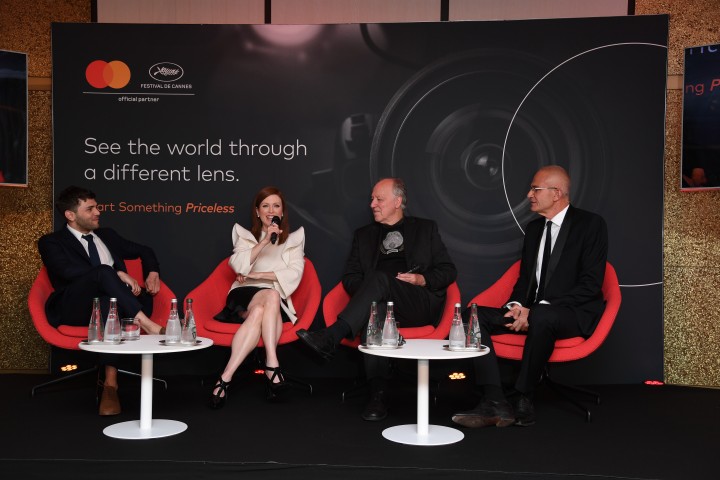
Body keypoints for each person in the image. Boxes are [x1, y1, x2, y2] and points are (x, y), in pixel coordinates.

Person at [452, 165, 608, 428]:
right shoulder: (534, 229)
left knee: (544, 315)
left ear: (557, 193)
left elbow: (590, 285)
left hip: (571, 312)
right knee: (471, 316)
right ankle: (495, 399)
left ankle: (524, 395)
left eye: (536, 189)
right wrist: (516, 307)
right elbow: (525, 280)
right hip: (533, 312)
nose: (529, 195)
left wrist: (534, 312)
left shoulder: (590, 224)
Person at [297, 178, 457, 421]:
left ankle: (333, 334)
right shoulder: (363, 235)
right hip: (379, 302)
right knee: (377, 308)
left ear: (398, 201)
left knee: (380, 281)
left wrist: (421, 279)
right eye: (372, 199)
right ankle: (378, 394)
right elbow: (350, 278)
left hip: (416, 303)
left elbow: (448, 271)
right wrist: (372, 291)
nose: (372, 204)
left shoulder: (425, 228)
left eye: (379, 199)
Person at [38, 186, 165, 416]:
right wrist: (114, 273)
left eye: (96, 207)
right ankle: (148, 324)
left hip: (116, 306)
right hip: (76, 307)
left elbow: (145, 250)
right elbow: (67, 271)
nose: (98, 212)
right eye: (90, 209)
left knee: (108, 302)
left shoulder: (107, 235)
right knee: (105, 273)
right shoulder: (51, 242)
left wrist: (152, 272)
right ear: (70, 215)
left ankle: (110, 384)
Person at [208, 186, 305, 409]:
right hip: (244, 294)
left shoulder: (294, 239)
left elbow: (295, 274)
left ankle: (225, 378)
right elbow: (238, 265)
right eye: (265, 206)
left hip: (275, 296)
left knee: (264, 306)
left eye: (276, 206)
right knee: (269, 295)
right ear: (257, 211)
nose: (271, 210)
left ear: (282, 212)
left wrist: (257, 274)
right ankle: (272, 365)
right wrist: (263, 242)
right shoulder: (245, 236)